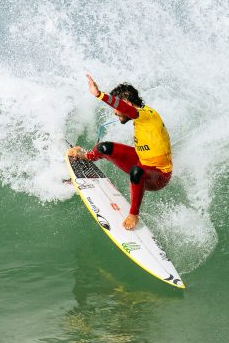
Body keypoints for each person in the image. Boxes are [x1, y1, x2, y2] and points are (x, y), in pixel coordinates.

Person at [67, 73, 173, 230]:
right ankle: (85, 156)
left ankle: (133, 215)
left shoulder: (146, 115)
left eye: (116, 108)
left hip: (158, 176)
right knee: (105, 148)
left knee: (136, 172)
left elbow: (125, 109)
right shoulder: (140, 118)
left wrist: (99, 95)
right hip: (142, 160)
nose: (114, 112)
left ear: (127, 104)